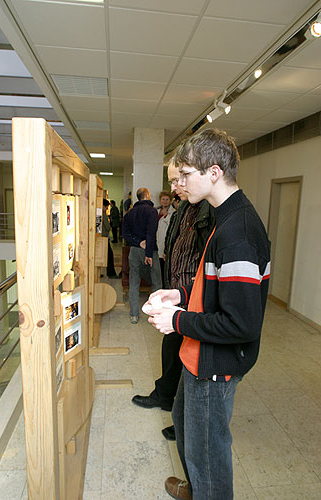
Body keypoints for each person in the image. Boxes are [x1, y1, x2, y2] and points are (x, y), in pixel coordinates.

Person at [147, 129, 271, 500]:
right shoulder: (223, 218)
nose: (180, 184)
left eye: (185, 175)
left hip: (214, 361)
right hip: (197, 355)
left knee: (208, 454)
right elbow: (217, 288)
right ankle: (197, 489)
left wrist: (177, 320)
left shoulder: (239, 233)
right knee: (186, 427)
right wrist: (180, 294)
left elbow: (241, 323)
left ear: (213, 173)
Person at [132, 161, 215, 442]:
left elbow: (207, 257)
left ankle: (180, 415)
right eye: (172, 183)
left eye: (178, 181)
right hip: (179, 289)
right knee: (171, 346)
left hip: (193, 293)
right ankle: (166, 397)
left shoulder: (208, 209)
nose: (174, 188)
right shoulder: (185, 208)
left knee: (186, 353)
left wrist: (190, 292)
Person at [122, 187, 162, 324]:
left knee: (134, 282)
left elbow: (125, 234)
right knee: (156, 282)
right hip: (151, 251)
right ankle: (157, 315)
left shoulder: (129, 213)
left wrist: (139, 243)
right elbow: (151, 233)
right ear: (147, 195)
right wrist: (148, 253)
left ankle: (134, 315)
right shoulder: (152, 212)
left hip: (134, 251)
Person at [156, 190, 175, 285]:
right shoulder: (156, 211)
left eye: (167, 199)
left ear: (170, 200)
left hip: (166, 244)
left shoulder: (173, 213)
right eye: (163, 199)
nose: (165, 201)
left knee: (165, 270)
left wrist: (166, 216)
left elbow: (172, 226)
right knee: (157, 270)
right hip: (157, 243)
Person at [102, 199, 120, 279]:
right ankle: (111, 273)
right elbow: (107, 226)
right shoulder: (102, 214)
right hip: (104, 238)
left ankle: (101, 273)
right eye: (106, 207)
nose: (106, 209)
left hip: (100, 238)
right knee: (109, 255)